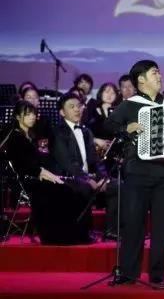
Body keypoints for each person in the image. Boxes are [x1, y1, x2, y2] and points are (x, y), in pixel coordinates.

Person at [104, 60, 164, 285]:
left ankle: (158, 274)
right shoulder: (129, 105)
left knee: (162, 227)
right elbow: (108, 125)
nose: (160, 76)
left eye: (159, 72)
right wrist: (125, 129)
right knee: (133, 224)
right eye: (154, 72)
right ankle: (128, 273)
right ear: (141, 79)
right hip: (137, 171)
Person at [2, 101, 88, 244]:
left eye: (33, 114)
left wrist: (53, 176)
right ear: (17, 117)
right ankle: (60, 236)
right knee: (65, 190)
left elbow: (39, 165)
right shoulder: (16, 138)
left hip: (36, 176)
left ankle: (75, 234)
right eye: (27, 114)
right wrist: (53, 177)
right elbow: (30, 168)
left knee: (74, 188)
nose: (32, 117)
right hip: (28, 181)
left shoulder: (31, 135)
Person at [51, 92, 117, 241]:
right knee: (84, 187)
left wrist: (103, 178)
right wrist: (87, 179)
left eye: (79, 106)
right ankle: (84, 231)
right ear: (62, 112)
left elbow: (96, 161)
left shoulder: (86, 131)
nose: (77, 109)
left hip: (87, 177)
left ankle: (111, 230)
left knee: (117, 185)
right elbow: (67, 163)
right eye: (72, 106)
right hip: (68, 179)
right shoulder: (57, 133)